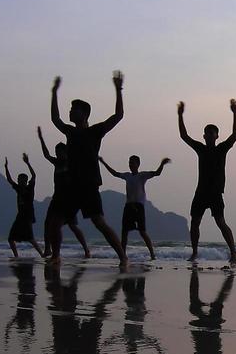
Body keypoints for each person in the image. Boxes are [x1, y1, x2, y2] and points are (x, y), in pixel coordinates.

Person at [45, 74, 127, 267]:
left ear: (84, 113)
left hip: (89, 185)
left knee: (99, 222)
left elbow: (118, 116)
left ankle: (123, 258)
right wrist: (54, 93)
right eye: (71, 109)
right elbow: (55, 119)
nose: (70, 112)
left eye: (74, 109)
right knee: (55, 222)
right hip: (71, 186)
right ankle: (56, 256)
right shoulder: (70, 132)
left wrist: (118, 90)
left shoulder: (95, 131)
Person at [178, 99, 236, 263]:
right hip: (201, 191)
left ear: (217, 136)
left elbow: (235, 135)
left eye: (213, 133)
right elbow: (184, 136)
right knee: (195, 222)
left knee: (221, 223)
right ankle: (195, 252)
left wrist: (235, 114)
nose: (210, 136)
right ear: (204, 136)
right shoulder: (201, 148)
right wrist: (180, 116)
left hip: (215, 192)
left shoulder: (222, 148)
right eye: (207, 133)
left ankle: (234, 252)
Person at [37, 128, 93, 260]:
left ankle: (86, 250)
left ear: (65, 152)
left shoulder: (71, 163)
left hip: (69, 200)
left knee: (73, 226)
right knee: (48, 223)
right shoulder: (57, 163)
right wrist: (41, 139)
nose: (57, 154)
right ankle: (48, 249)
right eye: (56, 152)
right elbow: (46, 155)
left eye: (59, 152)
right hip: (56, 198)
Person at [100, 153, 170, 258]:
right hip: (128, 206)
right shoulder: (127, 175)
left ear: (138, 164)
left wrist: (162, 164)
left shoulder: (142, 175)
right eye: (129, 163)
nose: (130, 165)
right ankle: (122, 255)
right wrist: (104, 162)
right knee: (124, 232)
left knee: (142, 231)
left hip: (138, 206)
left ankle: (152, 254)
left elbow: (157, 173)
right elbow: (114, 173)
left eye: (132, 163)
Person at [1, 153, 45, 258]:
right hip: (20, 216)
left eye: (21, 180)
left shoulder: (30, 188)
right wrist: (6, 167)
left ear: (25, 181)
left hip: (28, 215)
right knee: (11, 239)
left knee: (30, 238)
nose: (19, 181)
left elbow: (34, 176)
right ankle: (16, 256)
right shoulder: (18, 188)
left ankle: (42, 254)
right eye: (19, 180)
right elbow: (9, 180)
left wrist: (28, 163)